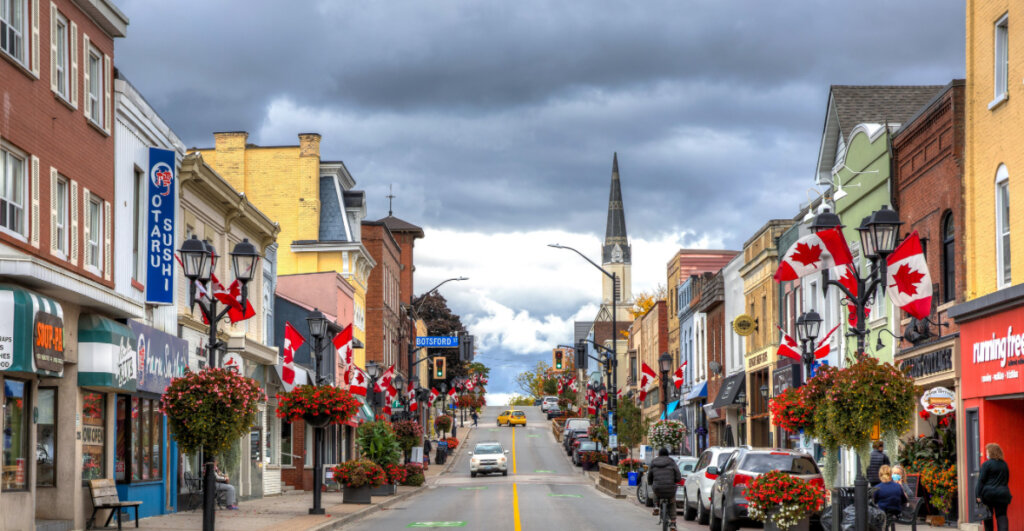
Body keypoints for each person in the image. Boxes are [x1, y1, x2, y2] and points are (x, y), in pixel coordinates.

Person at [977, 442, 1012, 531]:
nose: (986, 454)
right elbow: (1006, 479)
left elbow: (981, 481)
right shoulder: (1004, 464)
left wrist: (978, 495)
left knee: (988, 516)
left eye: (987, 452)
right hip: (1003, 494)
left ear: (991, 452)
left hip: (989, 494)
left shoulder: (986, 464)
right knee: (1002, 515)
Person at [647, 447, 681, 530]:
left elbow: (649, 475)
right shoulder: (672, 462)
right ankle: (673, 523)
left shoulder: (653, 462)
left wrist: (650, 482)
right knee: (672, 502)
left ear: (659, 454)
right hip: (670, 488)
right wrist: (676, 480)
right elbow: (678, 476)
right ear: (667, 454)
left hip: (658, 488)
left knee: (655, 489)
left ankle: (656, 506)